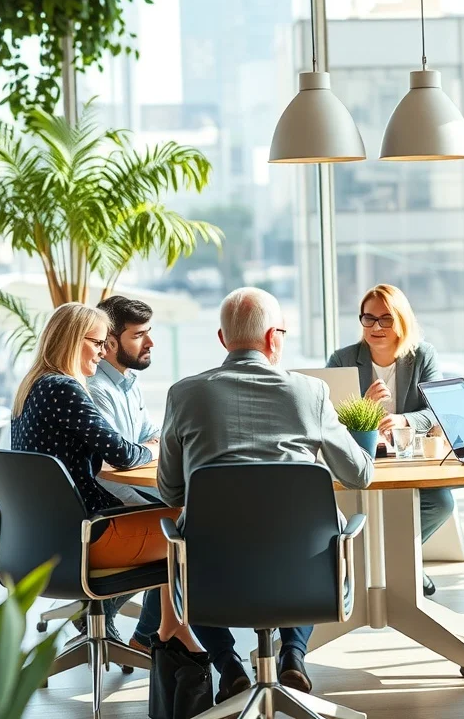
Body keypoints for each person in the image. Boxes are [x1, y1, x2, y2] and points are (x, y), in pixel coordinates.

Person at [158, 287, 374, 702]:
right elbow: (359, 474)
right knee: (316, 533)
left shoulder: (183, 394)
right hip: (304, 578)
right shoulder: (310, 393)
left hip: (213, 580)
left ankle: (229, 666)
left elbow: (170, 489)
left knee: (189, 541)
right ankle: (293, 654)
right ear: (274, 339)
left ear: (223, 340)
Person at [10, 303, 200, 653]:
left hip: (40, 537)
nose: (103, 351)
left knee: (172, 518)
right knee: (186, 525)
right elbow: (124, 454)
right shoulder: (64, 389)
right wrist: (156, 448)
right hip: (87, 534)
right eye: (97, 343)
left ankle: (161, 632)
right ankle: (154, 638)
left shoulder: (32, 387)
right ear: (71, 340)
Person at [326, 284, 451, 598]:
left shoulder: (422, 356)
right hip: (359, 458)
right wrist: (364, 408)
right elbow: (326, 417)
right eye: (369, 319)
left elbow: (439, 412)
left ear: (401, 321)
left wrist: (404, 420)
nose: (376, 327)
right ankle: (403, 566)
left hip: (407, 457)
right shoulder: (341, 359)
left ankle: (399, 561)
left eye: (385, 319)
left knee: (440, 503)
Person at [86, 295, 170, 650]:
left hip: (135, 487)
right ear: (109, 342)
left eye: (148, 332)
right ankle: (148, 636)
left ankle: (146, 634)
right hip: (111, 499)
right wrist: (145, 450)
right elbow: (116, 462)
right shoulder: (95, 388)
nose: (150, 342)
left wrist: (145, 448)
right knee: (181, 527)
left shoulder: (128, 381)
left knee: (183, 516)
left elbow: (152, 436)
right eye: (139, 335)